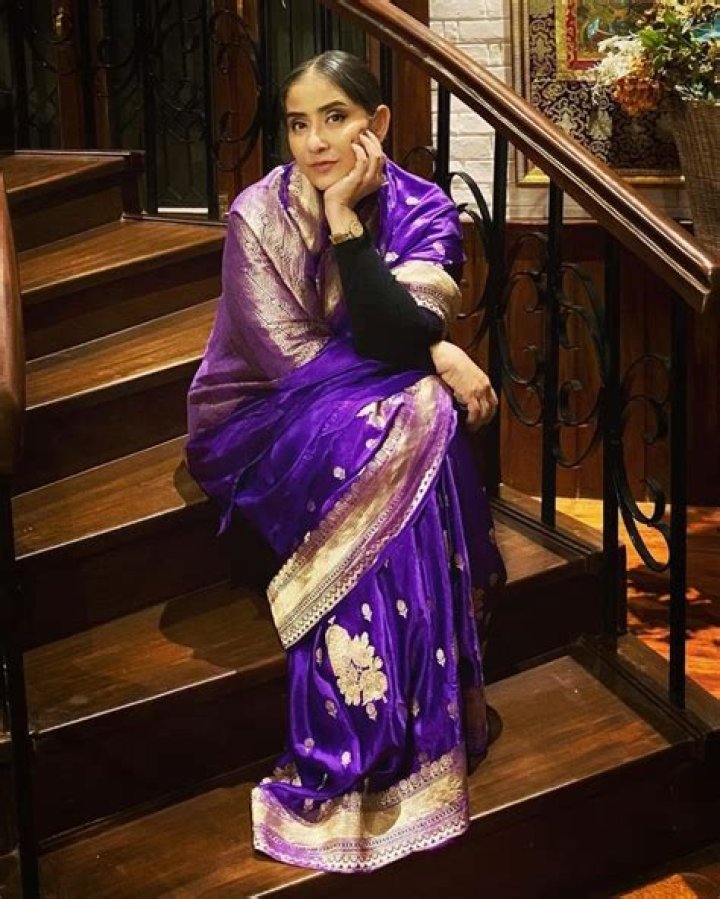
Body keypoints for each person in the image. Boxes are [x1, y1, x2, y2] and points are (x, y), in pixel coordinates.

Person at [186, 50, 506, 874]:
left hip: (363, 398)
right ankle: (374, 715)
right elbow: (290, 361)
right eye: (299, 124)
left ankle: (414, 704)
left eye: (336, 117)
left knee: (419, 413)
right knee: (419, 409)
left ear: (378, 123)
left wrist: (348, 226)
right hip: (261, 413)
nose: (316, 142)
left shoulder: (421, 206)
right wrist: (438, 352)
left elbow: (392, 330)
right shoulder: (257, 215)